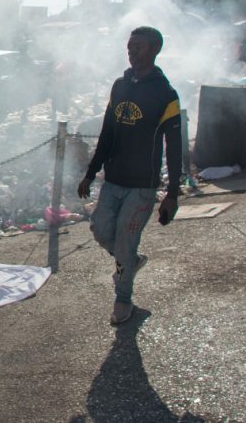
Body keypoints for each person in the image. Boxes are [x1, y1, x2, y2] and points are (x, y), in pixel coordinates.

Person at [77, 26, 181, 326]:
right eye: (129, 45)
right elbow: (108, 133)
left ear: (154, 50)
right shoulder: (119, 86)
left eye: (139, 46)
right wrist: (91, 172)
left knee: (125, 240)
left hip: (142, 186)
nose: (131, 51)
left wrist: (172, 194)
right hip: (113, 180)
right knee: (99, 229)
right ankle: (131, 262)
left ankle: (123, 300)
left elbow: (174, 149)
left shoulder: (165, 94)